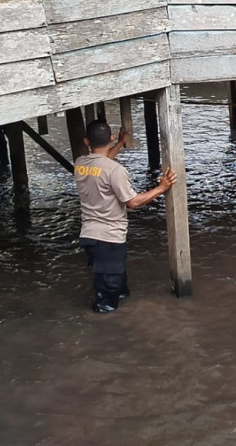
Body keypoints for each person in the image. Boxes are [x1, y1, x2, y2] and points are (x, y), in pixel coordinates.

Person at [75, 119, 177, 313]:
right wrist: (162, 188)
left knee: (118, 288)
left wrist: (120, 143)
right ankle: (105, 334)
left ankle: (115, 324)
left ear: (87, 141)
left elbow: (102, 162)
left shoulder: (80, 163)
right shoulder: (115, 171)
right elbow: (133, 202)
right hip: (109, 238)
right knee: (107, 299)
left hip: (90, 236)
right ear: (110, 137)